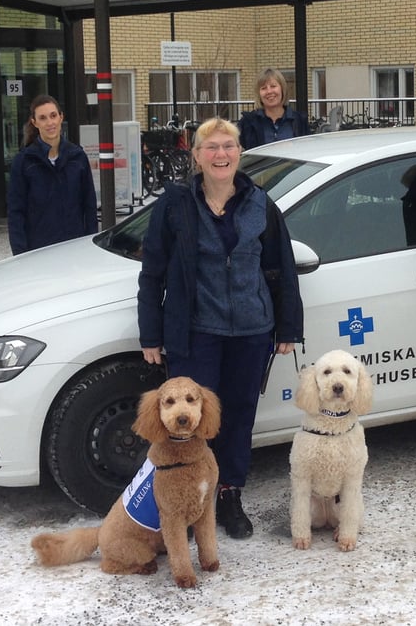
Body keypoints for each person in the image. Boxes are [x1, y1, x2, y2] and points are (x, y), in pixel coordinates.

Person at [137, 117, 304, 538]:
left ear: (239, 153)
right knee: (189, 421)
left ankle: (229, 494)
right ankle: (193, 500)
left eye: (228, 146)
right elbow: (152, 272)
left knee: (239, 415)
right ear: (196, 156)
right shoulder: (175, 206)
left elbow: (281, 269)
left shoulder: (260, 204)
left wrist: (287, 328)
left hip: (251, 331)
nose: (221, 155)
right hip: (197, 331)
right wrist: (151, 334)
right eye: (211, 147)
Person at [7, 94, 97, 255]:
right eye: (43, 118)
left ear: (61, 117)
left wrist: (89, 246)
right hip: (38, 251)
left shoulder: (77, 157)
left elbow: (89, 206)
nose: (50, 123)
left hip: (74, 249)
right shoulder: (24, 162)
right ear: (35, 123)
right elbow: (16, 212)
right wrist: (20, 254)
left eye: (53, 116)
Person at [237, 68, 310, 150]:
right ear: (259, 94)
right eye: (264, 88)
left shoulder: (299, 121)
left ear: (282, 89)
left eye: (273, 86)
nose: (269, 91)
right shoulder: (248, 123)